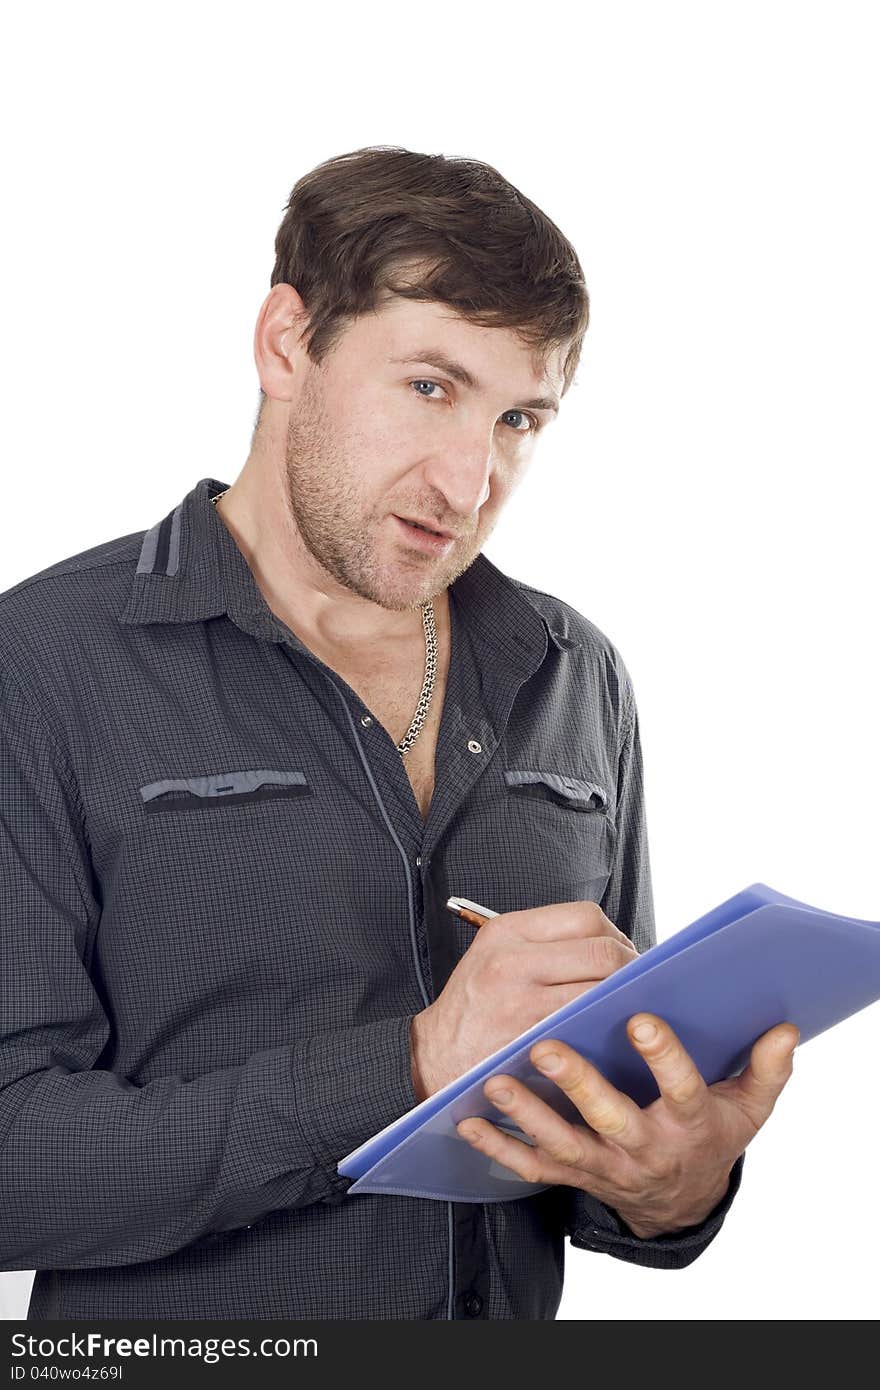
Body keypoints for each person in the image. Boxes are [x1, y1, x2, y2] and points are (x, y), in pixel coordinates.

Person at [0, 146, 798, 1321]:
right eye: (430, 387)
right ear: (286, 343)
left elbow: (598, 1123)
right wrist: (408, 1066)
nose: (470, 479)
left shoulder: (574, 676)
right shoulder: (42, 665)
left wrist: (674, 1180)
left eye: (519, 417)